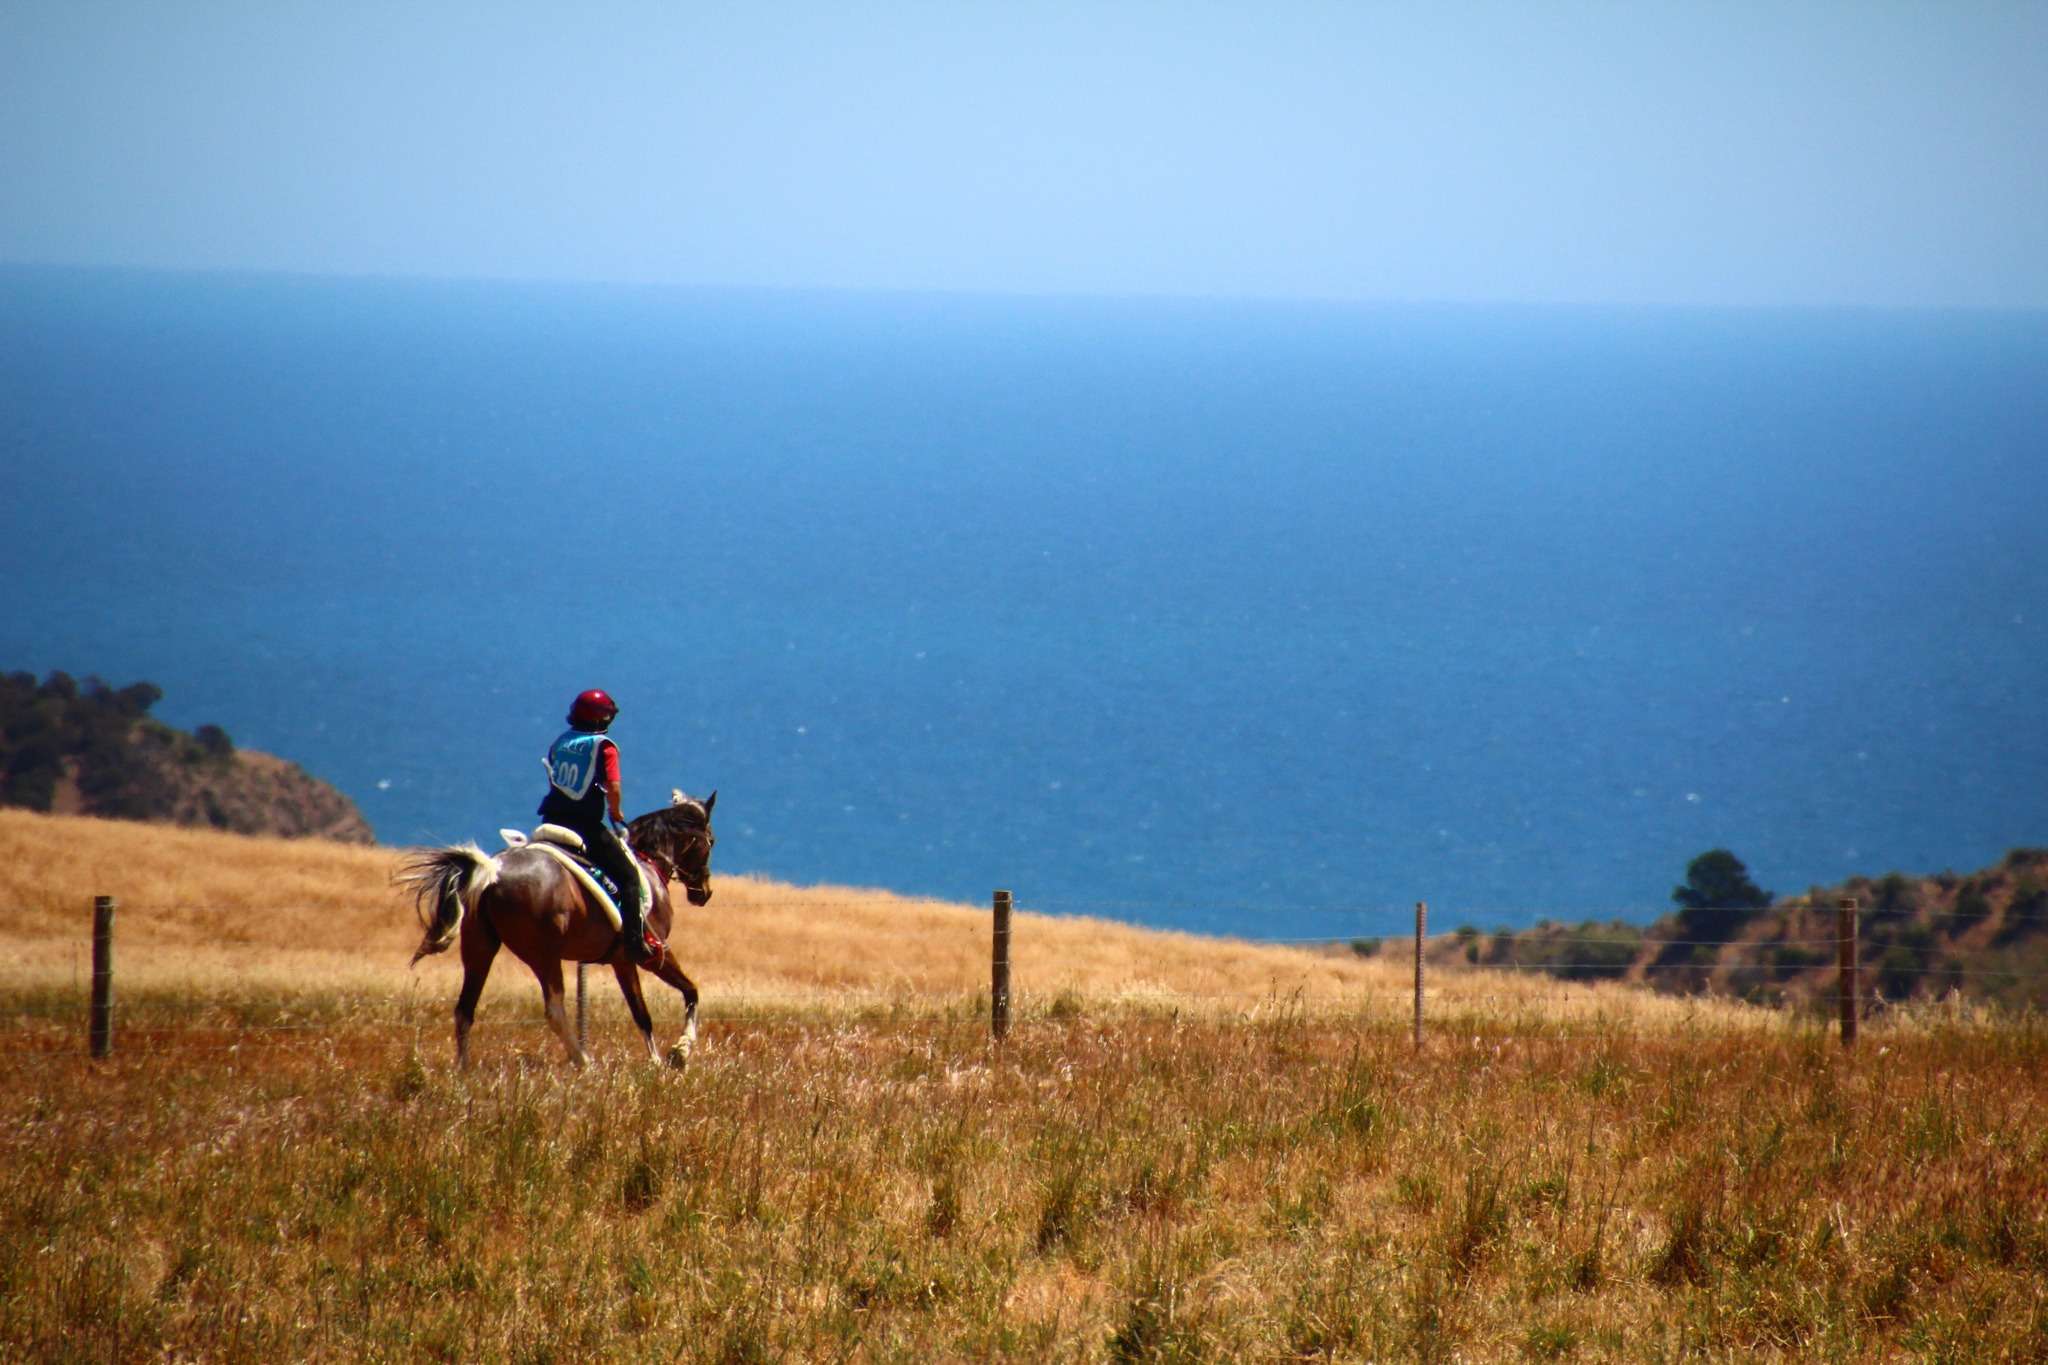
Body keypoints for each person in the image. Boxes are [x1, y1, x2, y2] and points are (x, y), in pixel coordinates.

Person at [539, 688, 656, 962]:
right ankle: (634, 943)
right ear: (600, 719)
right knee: (629, 877)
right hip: (584, 827)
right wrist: (616, 812)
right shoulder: (604, 746)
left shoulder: (560, 742)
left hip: (551, 821)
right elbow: (613, 787)